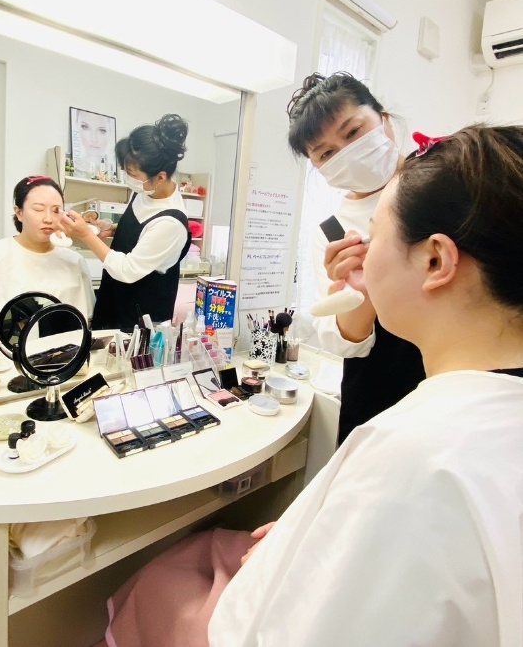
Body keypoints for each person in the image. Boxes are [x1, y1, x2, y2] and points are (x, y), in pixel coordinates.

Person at [94, 124, 523, 647]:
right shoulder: (480, 422)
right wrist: (312, 536)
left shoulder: (416, 454)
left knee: (163, 577)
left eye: (374, 235)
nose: (360, 254)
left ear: (435, 260)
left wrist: (303, 549)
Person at [287, 71, 425, 443]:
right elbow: (344, 343)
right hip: (381, 394)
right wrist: (359, 294)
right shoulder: (332, 231)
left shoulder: (442, 182)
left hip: (466, 379)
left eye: (352, 132)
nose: (346, 153)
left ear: (385, 119)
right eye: (327, 153)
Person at [60, 114, 191, 331]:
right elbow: (140, 231)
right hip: (114, 298)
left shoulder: (171, 222)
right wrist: (111, 229)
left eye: (131, 173)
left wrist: (85, 234)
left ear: (159, 177)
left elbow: (127, 269)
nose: (127, 178)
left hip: (139, 320)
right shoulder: (145, 190)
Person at [0, 176, 95, 324]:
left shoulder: (74, 261)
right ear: (19, 212)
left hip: (71, 338)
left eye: (56, 210)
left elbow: (89, 318)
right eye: (38, 209)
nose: (48, 219)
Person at [71, 108, 115, 178]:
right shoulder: (75, 165)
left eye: (102, 131)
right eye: (85, 127)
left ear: (110, 131)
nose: (94, 139)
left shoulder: (112, 170)